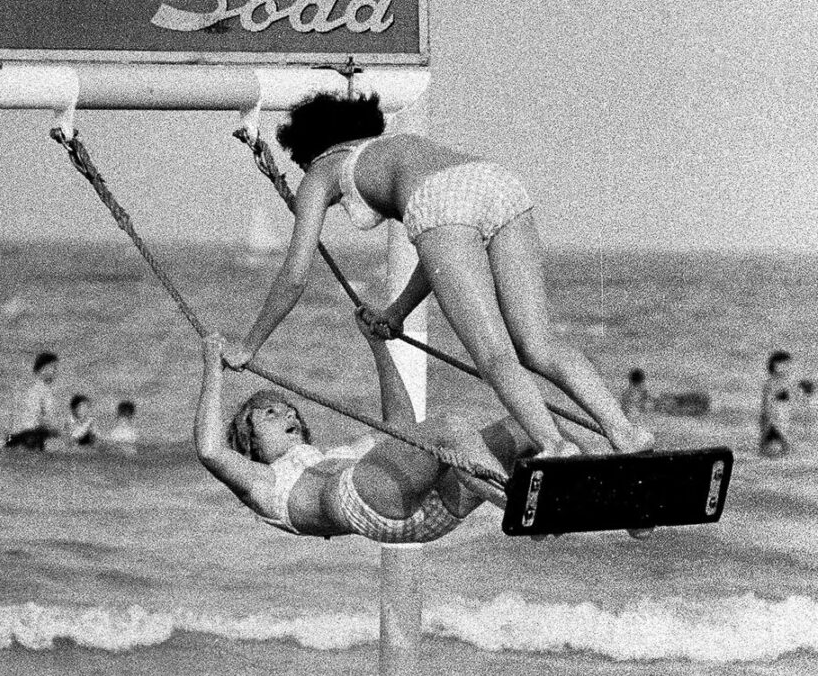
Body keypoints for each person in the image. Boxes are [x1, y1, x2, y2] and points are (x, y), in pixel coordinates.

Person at [222, 92, 653, 460]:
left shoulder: (320, 171)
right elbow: (445, 255)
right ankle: (626, 434)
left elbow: (295, 275)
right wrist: (396, 313)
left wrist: (249, 345)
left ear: (308, 148)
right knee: (538, 344)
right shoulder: (393, 148)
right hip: (497, 182)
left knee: (494, 355)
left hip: (443, 203)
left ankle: (555, 449)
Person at [195, 311, 532, 543]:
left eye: (291, 412)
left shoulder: (336, 456)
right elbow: (210, 450)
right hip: (369, 506)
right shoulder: (262, 481)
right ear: (250, 443)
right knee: (449, 426)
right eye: (270, 414)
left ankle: (575, 493)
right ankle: (519, 507)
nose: (289, 417)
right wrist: (213, 366)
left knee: (529, 424)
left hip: (431, 509)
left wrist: (378, 346)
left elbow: (401, 429)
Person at [5, 351, 62, 451]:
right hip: (31, 436)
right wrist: (58, 432)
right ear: (43, 369)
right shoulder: (44, 390)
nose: (55, 372)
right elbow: (43, 419)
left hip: (14, 437)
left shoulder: (30, 389)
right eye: (53, 368)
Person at [759, 350, 793, 457]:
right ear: (775, 366)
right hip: (774, 422)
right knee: (775, 450)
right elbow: (767, 405)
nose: (788, 368)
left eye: (788, 365)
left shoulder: (784, 383)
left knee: (782, 450)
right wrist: (770, 422)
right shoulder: (772, 383)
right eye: (784, 365)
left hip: (781, 421)